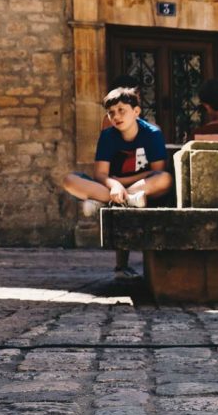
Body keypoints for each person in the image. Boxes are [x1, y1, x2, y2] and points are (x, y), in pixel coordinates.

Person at [62, 87, 174, 280]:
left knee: (165, 179)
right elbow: (100, 174)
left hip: (142, 188)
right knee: (69, 180)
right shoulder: (108, 136)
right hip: (112, 189)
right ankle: (116, 199)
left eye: (122, 110)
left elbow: (157, 172)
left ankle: (106, 201)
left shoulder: (152, 134)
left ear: (136, 112)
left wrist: (121, 183)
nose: (116, 116)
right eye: (111, 112)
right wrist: (113, 186)